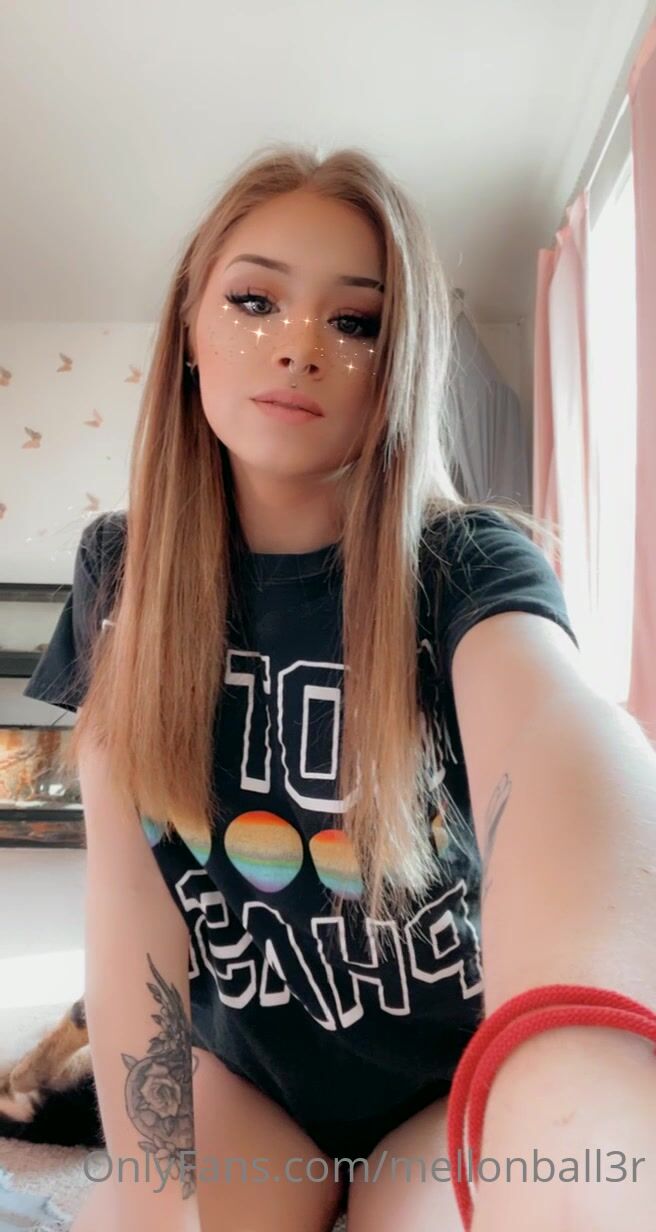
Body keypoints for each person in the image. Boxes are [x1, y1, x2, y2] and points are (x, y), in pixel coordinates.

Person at [23, 143, 578, 1232]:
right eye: (254, 300)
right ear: (189, 329)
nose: (300, 346)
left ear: (398, 362)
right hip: (245, 1072)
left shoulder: (469, 564)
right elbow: (130, 898)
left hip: (448, 1083)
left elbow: (568, 751)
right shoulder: (119, 570)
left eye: (356, 320)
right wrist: (156, 1189)